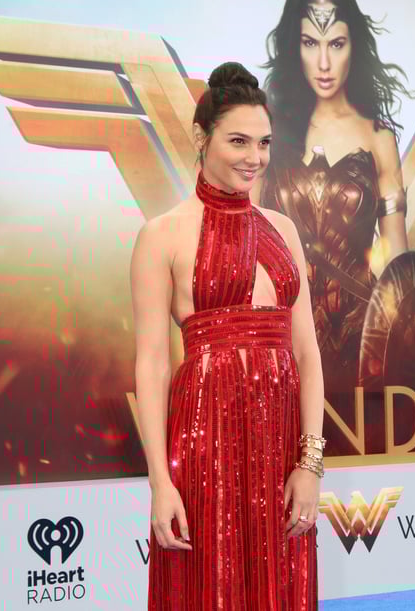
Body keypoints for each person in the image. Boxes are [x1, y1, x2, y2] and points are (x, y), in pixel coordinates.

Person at [131, 62, 324, 609]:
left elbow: (307, 354)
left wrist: (309, 465)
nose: (254, 158)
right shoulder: (161, 236)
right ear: (201, 137)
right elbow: (152, 365)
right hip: (203, 447)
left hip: (281, 448)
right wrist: (160, 482)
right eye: (238, 141)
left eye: (263, 143)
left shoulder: (284, 230)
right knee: (207, 589)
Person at [257, 0, 415, 456]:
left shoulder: (378, 136)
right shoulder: (269, 129)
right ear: (293, 46)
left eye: (337, 43)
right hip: (282, 335)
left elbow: (398, 265)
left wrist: (413, 349)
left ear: (355, 46)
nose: (324, 63)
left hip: (360, 341)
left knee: (359, 462)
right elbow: (251, 240)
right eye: (310, 43)